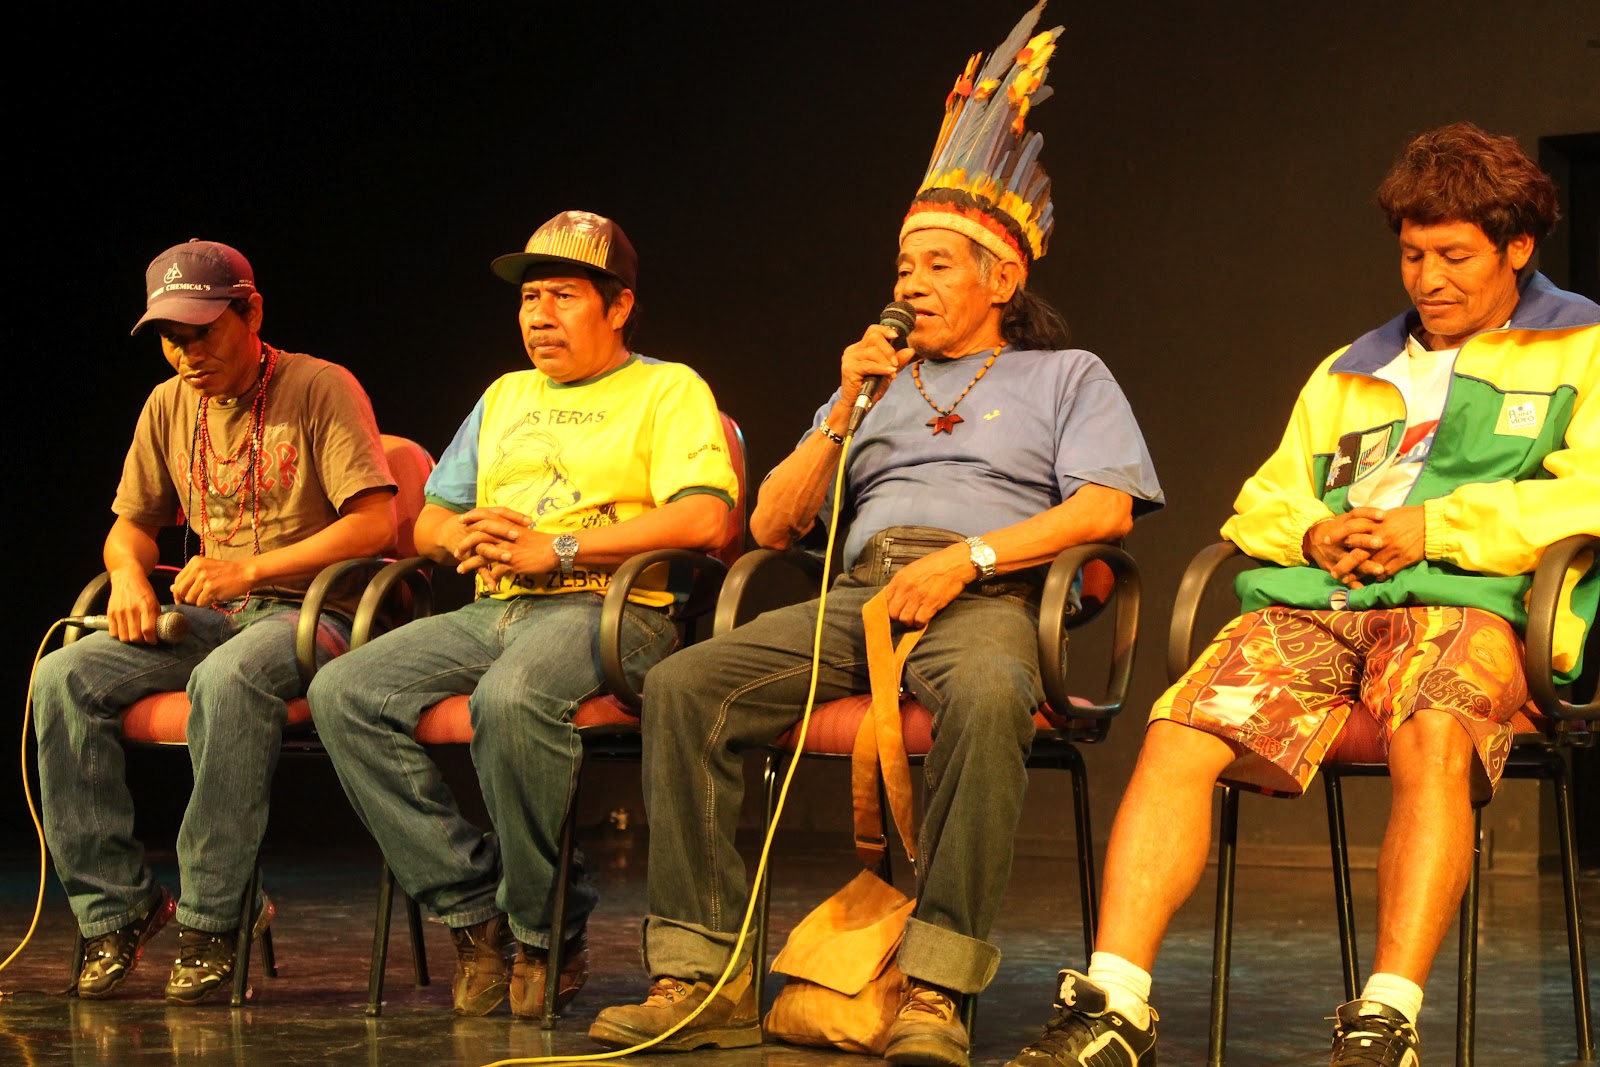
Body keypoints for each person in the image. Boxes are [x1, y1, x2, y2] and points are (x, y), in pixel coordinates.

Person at [590, 10, 1162, 1066]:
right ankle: (702, 974)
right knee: (683, 686)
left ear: (1000, 279)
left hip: (988, 596)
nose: (909, 284)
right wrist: (843, 410)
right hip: (862, 595)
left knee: (987, 694)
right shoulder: (872, 380)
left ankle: (935, 988)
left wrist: (969, 557)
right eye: (903, 265)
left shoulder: (1065, 376)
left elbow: (1104, 511)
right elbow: (771, 524)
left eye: (937, 265)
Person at [1005, 122, 1598, 1067]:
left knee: (1433, 726)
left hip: (1477, 604)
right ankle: (1114, 1005)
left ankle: (1386, 1021)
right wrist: (1315, 532)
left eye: (1454, 256)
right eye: (1412, 255)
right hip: (1321, 603)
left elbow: (1590, 492)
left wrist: (1438, 526)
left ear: (1517, 247)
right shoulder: (1351, 369)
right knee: (1182, 725)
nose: (1428, 279)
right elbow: (1265, 501)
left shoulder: (1582, 346)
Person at [310, 210, 740, 1019]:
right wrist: (455, 534)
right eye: (529, 298)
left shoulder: (669, 388)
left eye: (563, 296)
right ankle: (473, 908)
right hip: (496, 609)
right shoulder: (504, 395)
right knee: (342, 691)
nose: (539, 315)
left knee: (509, 698)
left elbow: (705, 517)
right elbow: (428, 518)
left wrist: (562, 548)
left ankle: (545, 930)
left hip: (613, 610)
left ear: (619, 306)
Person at [33, 239, 397, 1004]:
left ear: (251, 312)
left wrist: (250, 569)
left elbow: (375, 524)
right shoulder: (168, 404)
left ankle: (216, 916)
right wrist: (128, 575)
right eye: (171, 339)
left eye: (202, 333)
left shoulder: (319, 386)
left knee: (228, 679)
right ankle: (116, 910)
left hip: (313, 614)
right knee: (63, 674)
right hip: (211, 616)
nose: (187, 354)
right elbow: (130, 529)